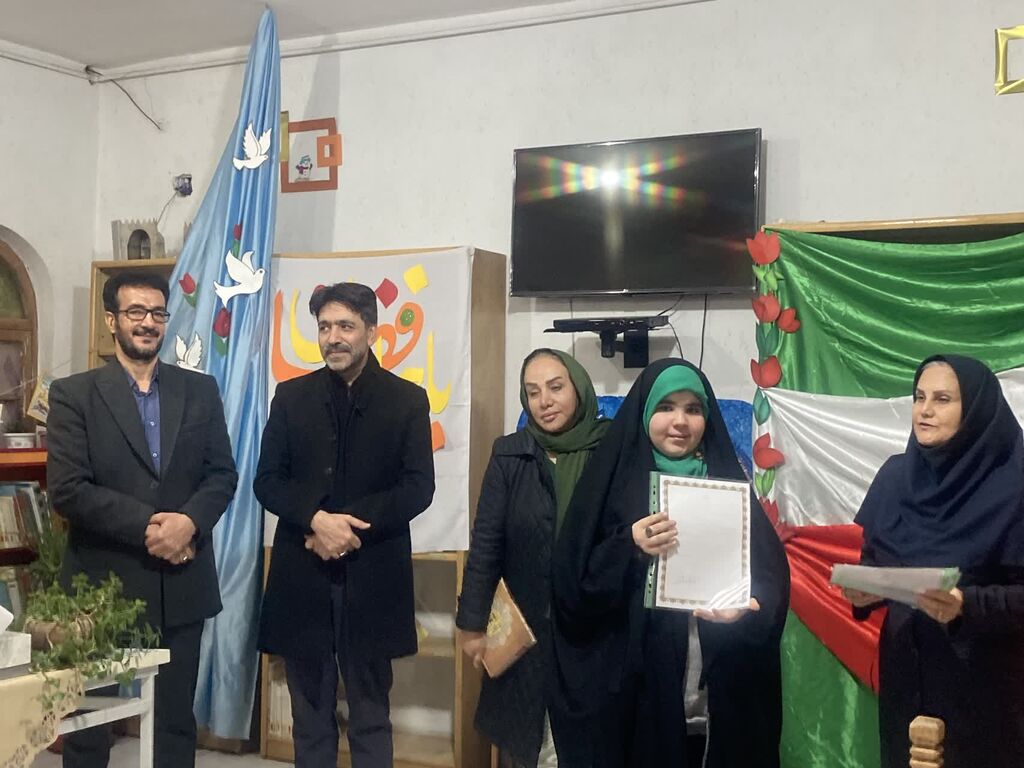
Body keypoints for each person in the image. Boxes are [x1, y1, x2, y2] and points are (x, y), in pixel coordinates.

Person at [551, 358, 789, 768]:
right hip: (636, 700)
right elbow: (572, 587)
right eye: (666, 407)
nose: (680, 421)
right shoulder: (610, 485)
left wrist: (745, 609)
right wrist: (629, 546)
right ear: (645, 413)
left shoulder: (727, 484)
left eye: (693, 409)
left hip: (715, 696)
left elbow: (770, 581)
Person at [47, 270, 238, 768]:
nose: (148, 323)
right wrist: (155, 525)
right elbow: (68, 488)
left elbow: (222, 474)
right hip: (101, 590)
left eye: (157, 313)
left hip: (182, 581)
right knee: (88, 728)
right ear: (112, 320)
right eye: (135, 312)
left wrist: (188, 524)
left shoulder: (200, 390)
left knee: (175, 724)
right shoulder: (73, 394)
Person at [255, 282, 435, 768]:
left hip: (372, 573)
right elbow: (267, 481)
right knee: (309, 715)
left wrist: (348, 529)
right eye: (324, 327)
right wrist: (316, 518)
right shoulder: (291, 397)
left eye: (345, 326)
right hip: (303, 572)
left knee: (371, 716)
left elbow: (418, 487)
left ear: (371, 332)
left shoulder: (407, 400)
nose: (333, 338)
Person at [844, 355, 1024, 768]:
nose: (924, 410)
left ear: (975, 408)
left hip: (987, 689)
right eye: (919, 397)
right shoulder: (895, 477)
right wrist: (866, 591)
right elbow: (875, 561)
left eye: (942, 399)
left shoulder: (1015, 484)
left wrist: (966, 604)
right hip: (907, 677)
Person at [456, 349, 610, 768]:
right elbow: (487, 543)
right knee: (528, 745)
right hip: (526, 631)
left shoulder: (609, 448)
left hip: (592, 631)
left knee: (586, 743)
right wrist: (472, 624)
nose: (545, 401)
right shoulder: (511, 453)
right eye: (533, 392)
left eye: (556, 388)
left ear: (578, 388)